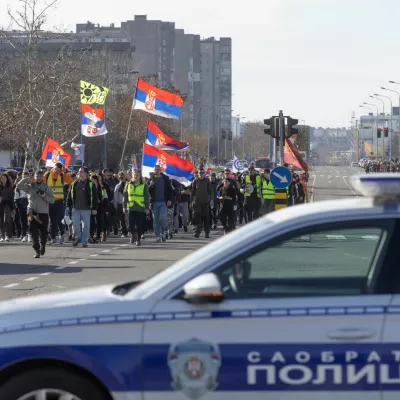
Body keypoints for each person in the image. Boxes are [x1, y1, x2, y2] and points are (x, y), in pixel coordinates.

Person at [17, 170, 55, 258]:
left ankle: (43, 245)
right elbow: (18, 185)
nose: (38, 178)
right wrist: (26, 178)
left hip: (43, 213)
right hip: (32, 213)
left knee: (43, 232)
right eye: (36, 176)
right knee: (32, 231)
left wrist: (44, 195)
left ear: (42, 177)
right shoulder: (29, 187)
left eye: (40, 176)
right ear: (34, 177)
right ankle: (37, 249)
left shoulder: (47, 187)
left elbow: (52, 200)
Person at [66, 167, 98, 248]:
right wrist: (67, 206)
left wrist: (94, 208)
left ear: (86, 173)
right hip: (76, 208)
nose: (80, 173)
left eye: (82, 172)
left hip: (86, 209)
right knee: (76, 226)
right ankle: (78, 238)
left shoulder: (90, 184)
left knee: (86, 226)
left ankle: (84, 241)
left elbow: (94, 197)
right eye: (79, 172)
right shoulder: (74, 183)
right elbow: (69, 196)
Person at [43, 162, 73, 245]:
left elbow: (71, 181)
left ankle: (62, 235)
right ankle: (53, 238)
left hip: (59, 201)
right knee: (52, 220)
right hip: (50, 201)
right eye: (55, 169)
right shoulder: (47, 174)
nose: (56, 171)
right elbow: (42, 183)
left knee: (60, 219)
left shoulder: (63, 175)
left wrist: (65, 172)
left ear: (61, 169)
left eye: (58, 169)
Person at [123, 169, 150, 246]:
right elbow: (125, 196)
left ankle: (138, 239)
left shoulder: (144, 185)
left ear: (140, 176)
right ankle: (133, 234)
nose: (135, 176)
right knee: (130, 225)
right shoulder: (128, 184)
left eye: (137, 175)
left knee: (139, 224)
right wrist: (124, 206)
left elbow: (146, 197)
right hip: (131, 207)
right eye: (134, 174)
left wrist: (147, 207)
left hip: (140, 208)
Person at [148, 165, 172, 243]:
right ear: (154, 170)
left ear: (160, 170)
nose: (157, 171)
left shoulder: (165, 178)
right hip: (154, 202)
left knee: (162, 219)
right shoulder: (151, 179)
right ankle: (157, 236)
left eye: (158, 169)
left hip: (163, 202)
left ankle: (163, 233)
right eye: (155, 169)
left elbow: (169, 190)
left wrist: (169, 199)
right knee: (155, 220)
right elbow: (147, 191)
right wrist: (150, 185)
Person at [191, 167, 213, 238]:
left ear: (204, 173)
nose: (201, 174)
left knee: (206, 217)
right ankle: (197, 232)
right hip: (197, 202)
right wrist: (191, 201)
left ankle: (207, 232)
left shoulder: (207, 181)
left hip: (206, 202)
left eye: (202, 173)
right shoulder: (195, 181)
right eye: (200, 173)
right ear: (198, 173)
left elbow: (210, 191)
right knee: (198, 217)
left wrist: (211, 200)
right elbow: (193, 192)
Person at [0, 173, 15, 242]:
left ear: (7, 179)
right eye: (2, 178)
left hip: (7, 205)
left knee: (6, 220)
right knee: (1, 221)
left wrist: (13, 208)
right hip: (0, 204)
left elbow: (12, 199)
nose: (3, 180)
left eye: (4, 178)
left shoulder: (10, 187)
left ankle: (6, 235)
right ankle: (2, 235)